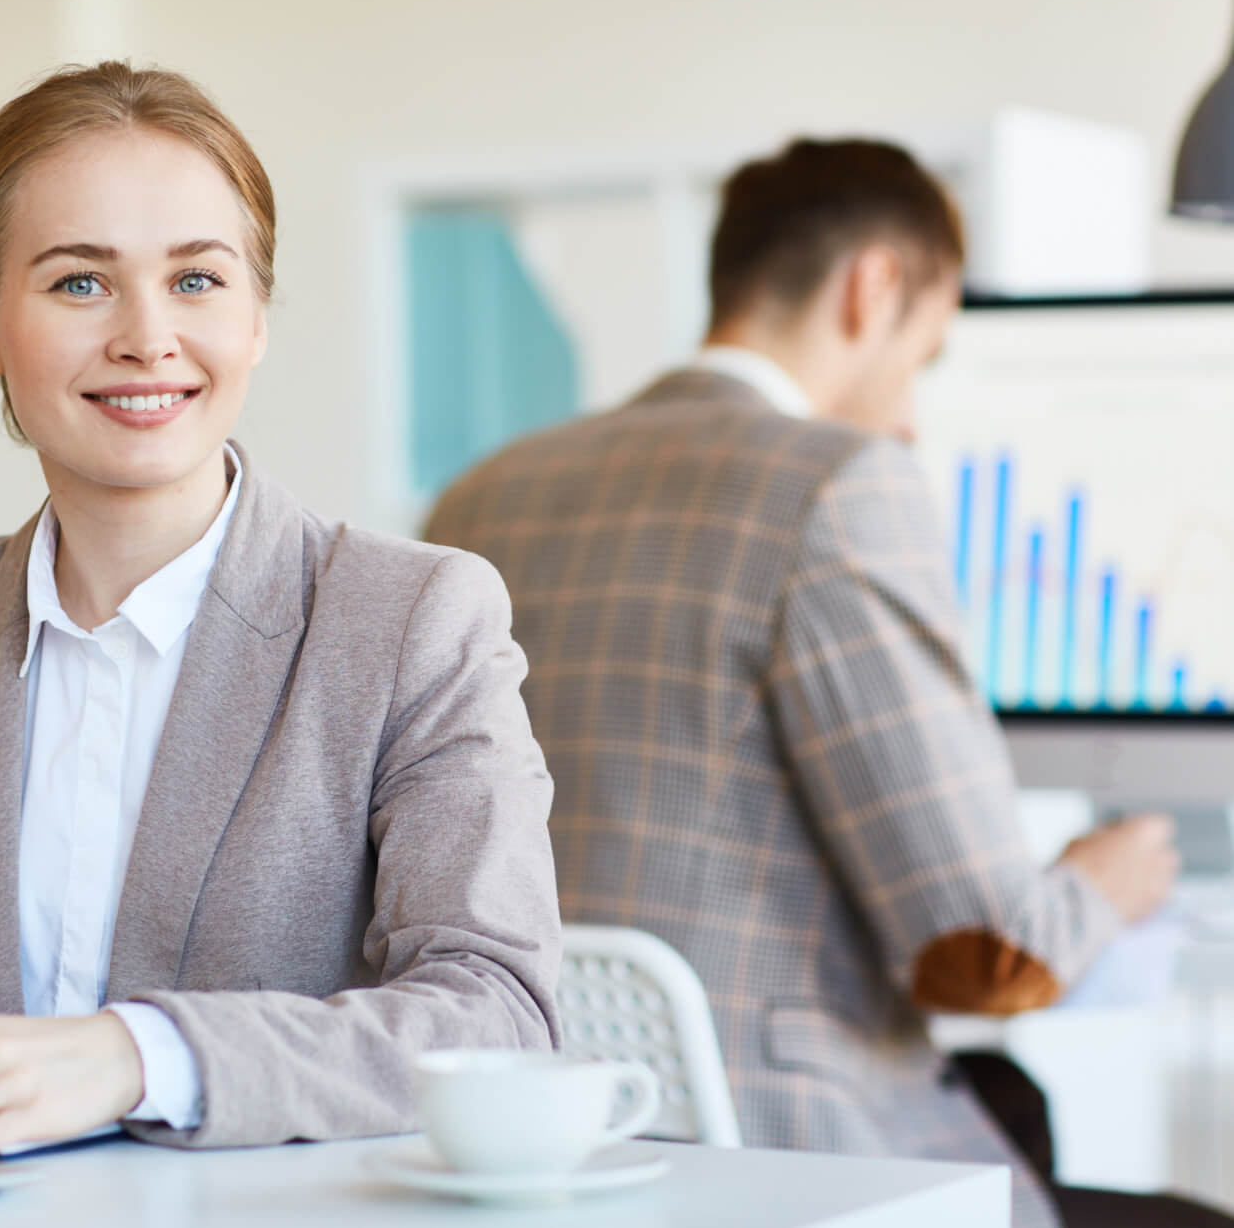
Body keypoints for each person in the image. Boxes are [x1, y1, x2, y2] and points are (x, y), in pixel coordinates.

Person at [0, 61, 560, 1160]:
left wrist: (136, 1056)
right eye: (80, 283)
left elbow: (500, 1013)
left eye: (198, 280)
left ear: (255, 319)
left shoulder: (412, 621)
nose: (148, 338)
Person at [425, 139, 1221, 1228]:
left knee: (1014, 1110)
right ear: (873, 286)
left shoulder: (481, 498)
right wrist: (1105, 879)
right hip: (792, 1161)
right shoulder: (841, 485)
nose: (909, 417)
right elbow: (983, 953)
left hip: (557, 1158)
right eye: (926, 358)